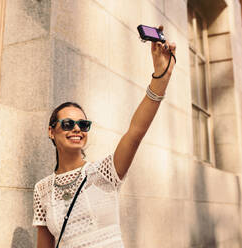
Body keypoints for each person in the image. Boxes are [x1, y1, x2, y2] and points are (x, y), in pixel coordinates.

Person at [32, 26, 176, 247]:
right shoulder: (42, 189)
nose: (77, 129)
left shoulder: (105, 172)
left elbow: (136, 132)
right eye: (68, 123)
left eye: (83, 124)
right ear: (51, 131)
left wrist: (161, 78)